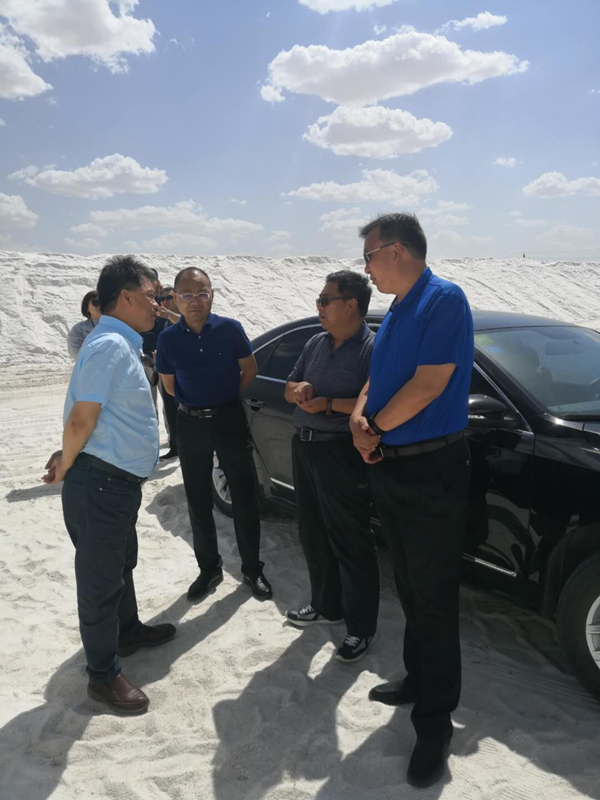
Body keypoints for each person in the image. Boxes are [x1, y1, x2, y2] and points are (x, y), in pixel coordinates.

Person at [350, 214, 473, 788]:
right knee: (408, 583)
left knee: (435, 597)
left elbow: (429, 384)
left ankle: (434, 726)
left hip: (431, 469)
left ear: (396, 251)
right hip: (391, 466)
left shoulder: (443, 299)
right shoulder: (398, 309)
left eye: (369, 257)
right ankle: (417, 679)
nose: (366, 269)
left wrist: (372, 428)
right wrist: (359, 420)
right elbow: (376, 381)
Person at [42, 255, 176, 716]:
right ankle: (102, 676)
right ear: (126, 296)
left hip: (113, 483)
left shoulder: (118, 343)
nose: (158, 304)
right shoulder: (110, 346)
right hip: (99, 484)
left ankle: (128, 631)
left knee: (120, 563)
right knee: (99, 581)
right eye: (152, 296)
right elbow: (82, 417)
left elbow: (99, 416)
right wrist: (67, 462)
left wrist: (69, 454)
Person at [156, 267, 272, 601]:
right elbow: (169, 386)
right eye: (187, 295)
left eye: (202, 293)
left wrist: (224, 396)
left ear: (211, 295)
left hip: (229, 420)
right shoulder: (168, 339)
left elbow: (249, 369)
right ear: (175, 298)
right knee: (198, 500)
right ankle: (209, 570)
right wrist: (198, 404)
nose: (195, 301)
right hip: (190, 424)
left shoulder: (229, 329)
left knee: (245, 497)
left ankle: (252, 569)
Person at [284, 270, 379, 663]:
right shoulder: (315, 342)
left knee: (350, 541)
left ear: (351, 304)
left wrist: (325, 403)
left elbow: (374, 403)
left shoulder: (372, 349)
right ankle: (327, 605)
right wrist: (298, 390)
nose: (319, 307)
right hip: (304, 446)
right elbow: (288, 386)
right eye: (319, 300)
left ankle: (361, 628)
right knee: (313, 532)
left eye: (326, 300)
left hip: (340, 452)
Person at [155, 286, 180, 460]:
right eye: (161, 299)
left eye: (168, 298)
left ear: (177, 297)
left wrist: (169, 314)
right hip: (168, 372)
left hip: (183, 374)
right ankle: (175, 446)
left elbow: (185, 323)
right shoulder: (165, 323)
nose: (164, 302)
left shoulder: (187, 316)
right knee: (171, 412)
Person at [140, 269, 166, 416]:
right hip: (145, 358)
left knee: (170, 401)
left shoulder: (166, 299)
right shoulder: (140, 301)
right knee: (149, 402)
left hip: (164, 358)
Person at [67, 290, 101, 359]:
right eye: (96, 302)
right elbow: (75, 353)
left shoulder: (118, 325)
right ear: (87, 307)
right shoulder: (78, 329)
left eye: (104, 303)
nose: (100, 306)